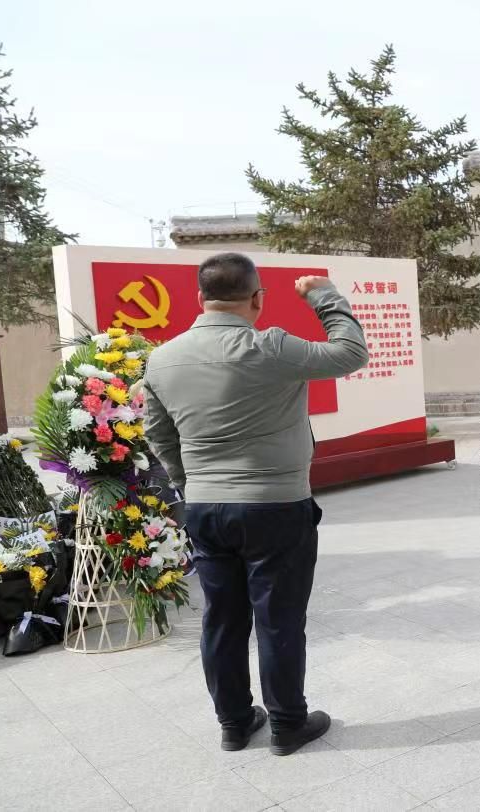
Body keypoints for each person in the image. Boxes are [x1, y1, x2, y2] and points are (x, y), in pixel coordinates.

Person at [143, 253, 368, 755]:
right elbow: (351, 353)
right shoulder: (270, 346)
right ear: (258, 299)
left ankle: (235, 723)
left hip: (205, 508)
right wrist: (323, 296)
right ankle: (287, 724)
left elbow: (157, 433)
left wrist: (192, 483)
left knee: (221, 620)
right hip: (276, 506)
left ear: (200, 298)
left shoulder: (162, 359)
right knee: (278, 619)